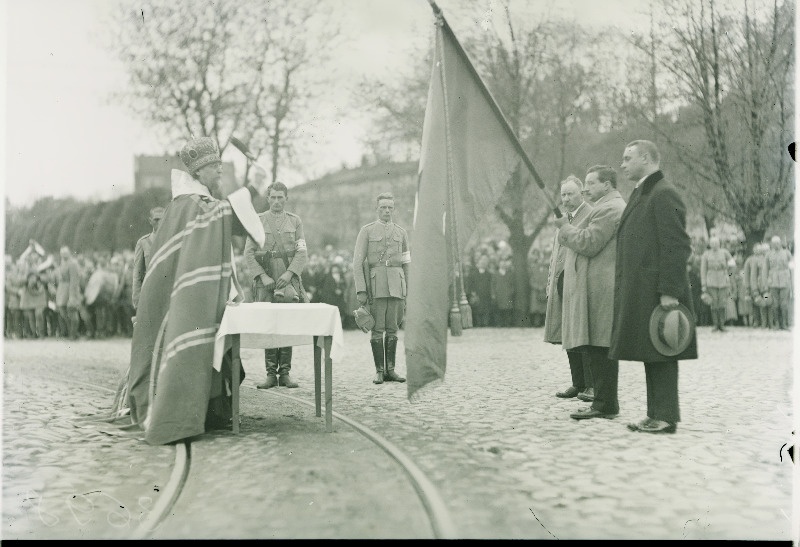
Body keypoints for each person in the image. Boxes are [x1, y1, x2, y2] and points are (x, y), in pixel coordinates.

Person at [121, 136, 267, 445]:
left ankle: (211, 410)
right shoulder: (191, 203)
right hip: (183, 301)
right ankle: (186, 414)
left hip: (198, 297)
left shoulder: (194, 201)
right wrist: (252, 188)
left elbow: (226, 219)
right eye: (215, 168)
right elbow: (225, 217)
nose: (219, 173)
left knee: (220, 355)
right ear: (199, 172)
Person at [610, 140, 697, 435]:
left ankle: (666, 416)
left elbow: (676, 245)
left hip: (659, 289)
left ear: (645, 159)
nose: (622, 165)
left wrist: (670, 290)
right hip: (646, 288)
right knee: (653, 351)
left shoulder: (662, 193)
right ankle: (655, 413)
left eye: (627, 158)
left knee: (663, 349)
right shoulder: (646, 192)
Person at [553, 165, 626, 420]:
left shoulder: (608, 208)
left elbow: (589, 243)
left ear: (607, 184)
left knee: (600, 345)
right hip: (600, 286)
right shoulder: (608, 206)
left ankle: (605, 403)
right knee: (599, 344)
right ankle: (604, 401)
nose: (586, 188)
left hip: (601, 288)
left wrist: (564, 228)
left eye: (591, 183)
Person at [243, 173, 308, 389]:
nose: (277, 201)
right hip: (265, 281)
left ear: (286, 198)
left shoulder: (295, 221)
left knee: (286, 325)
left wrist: (289, 274)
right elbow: (249, 253)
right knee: (268, 325)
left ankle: (285, 373)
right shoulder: (258, 220)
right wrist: (262, 276)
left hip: (286, 280)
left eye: (281, 197)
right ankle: (271, 374)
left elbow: (301, 253)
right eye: (273, 197)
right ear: (268, 198)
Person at [353, 192, 410, 384]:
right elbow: (357, 262)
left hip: (397, 284)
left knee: (393, 328)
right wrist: (361, 290)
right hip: (376, 285)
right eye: (383, 207)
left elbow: (406, 263)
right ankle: (379, 370)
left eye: (390, 208)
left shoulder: (401, 233)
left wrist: (407, 289)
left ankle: (391, 370)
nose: (386, 211)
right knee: (377, 329)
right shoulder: (367, 231)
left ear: (394, 209)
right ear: (377, 209)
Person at [545, 176, 593, 401]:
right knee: (569, 334)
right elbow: (556, 256)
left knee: (583, 335)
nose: (566, 199)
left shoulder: (590, 215)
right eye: (563, 194)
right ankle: (578, 382)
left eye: (571, 194)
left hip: (579, 283)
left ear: (581, 193)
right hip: (562, 283)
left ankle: (591, 383)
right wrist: (550, 283)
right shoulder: (563, 219)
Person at [132, 206, 165, 311]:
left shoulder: (172, 241)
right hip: (150, 295)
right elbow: (137, 274)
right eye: (156, 220)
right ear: (150, 221)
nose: (159, 223)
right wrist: (137, 301)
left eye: (162, 219)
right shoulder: (143, 243)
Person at [700, 236, 734, 332]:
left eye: (716, 243)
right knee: (714, 303)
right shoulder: (706, 254)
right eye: (712, 243)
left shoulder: (725, 252)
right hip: (711, 281)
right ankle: (715, 324)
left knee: (722, 303)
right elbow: (703, 270)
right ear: (710, 244)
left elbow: (732, 265)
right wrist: (703, 284)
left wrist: (727, 272)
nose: (714, 245)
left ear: (719, 243)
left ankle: (722, 325)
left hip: (723, 281)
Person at [764, 235, 793, 330]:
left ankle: (784, 324)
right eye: (774, 243)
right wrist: (766, 282)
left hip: (785, 280)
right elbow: (765, 270)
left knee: (784, 304)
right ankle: (776, 324)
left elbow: (792, 268)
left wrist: (792, 281)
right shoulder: (768, 254)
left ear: (780, 243)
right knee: (775, 303)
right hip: (773, 281)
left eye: (777, 243)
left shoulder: (787, 253)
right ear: (771, 244)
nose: (776, 245)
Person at [55, 246, 82, 340]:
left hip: (70, 288)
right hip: (62, 289)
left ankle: (73, 333)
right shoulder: (63, 262)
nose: (63, 255)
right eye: (62, 253)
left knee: (72, 311)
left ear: (69, 253)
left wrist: (72, 296)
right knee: (62, 311)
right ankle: (69, 331)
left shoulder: (73, 263)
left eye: (65, 253)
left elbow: (74, 280)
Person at [745, 243, 770, 328]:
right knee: (755, 303)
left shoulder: (765, 258)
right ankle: (756, 321)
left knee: (765, 302)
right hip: (754, 284)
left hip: (763, 284)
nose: (758, 251)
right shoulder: (749, 260)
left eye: (760, 249)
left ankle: (766, 322)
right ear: (753, 250)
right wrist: (748, 287)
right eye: (756, 249)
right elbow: (747, 274)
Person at [466, 255, 493, 327]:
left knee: (486, 310)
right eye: (481, 262)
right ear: (478, 263)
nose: (483, 264)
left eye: (484, 263)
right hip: (476, 295)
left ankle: (485, 324)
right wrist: (472, 293)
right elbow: (470, 285)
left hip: (486, 295)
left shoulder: (489, 274)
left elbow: (491, 285)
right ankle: (478, 324)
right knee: (477, 310)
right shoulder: (473, 274)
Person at [491, 257, 514, 327]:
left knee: (507, 310)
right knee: (499, 310)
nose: (503, 265)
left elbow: (512, 284)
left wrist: (511, 292)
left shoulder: (509, 274)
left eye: (504, 264)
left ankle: (507, 323)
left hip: (507, 294)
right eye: (501, 264)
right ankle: (499, 324)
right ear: (499, 265)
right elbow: (492, 285)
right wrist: (493, 294)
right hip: (499, 294)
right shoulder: (495, 274)